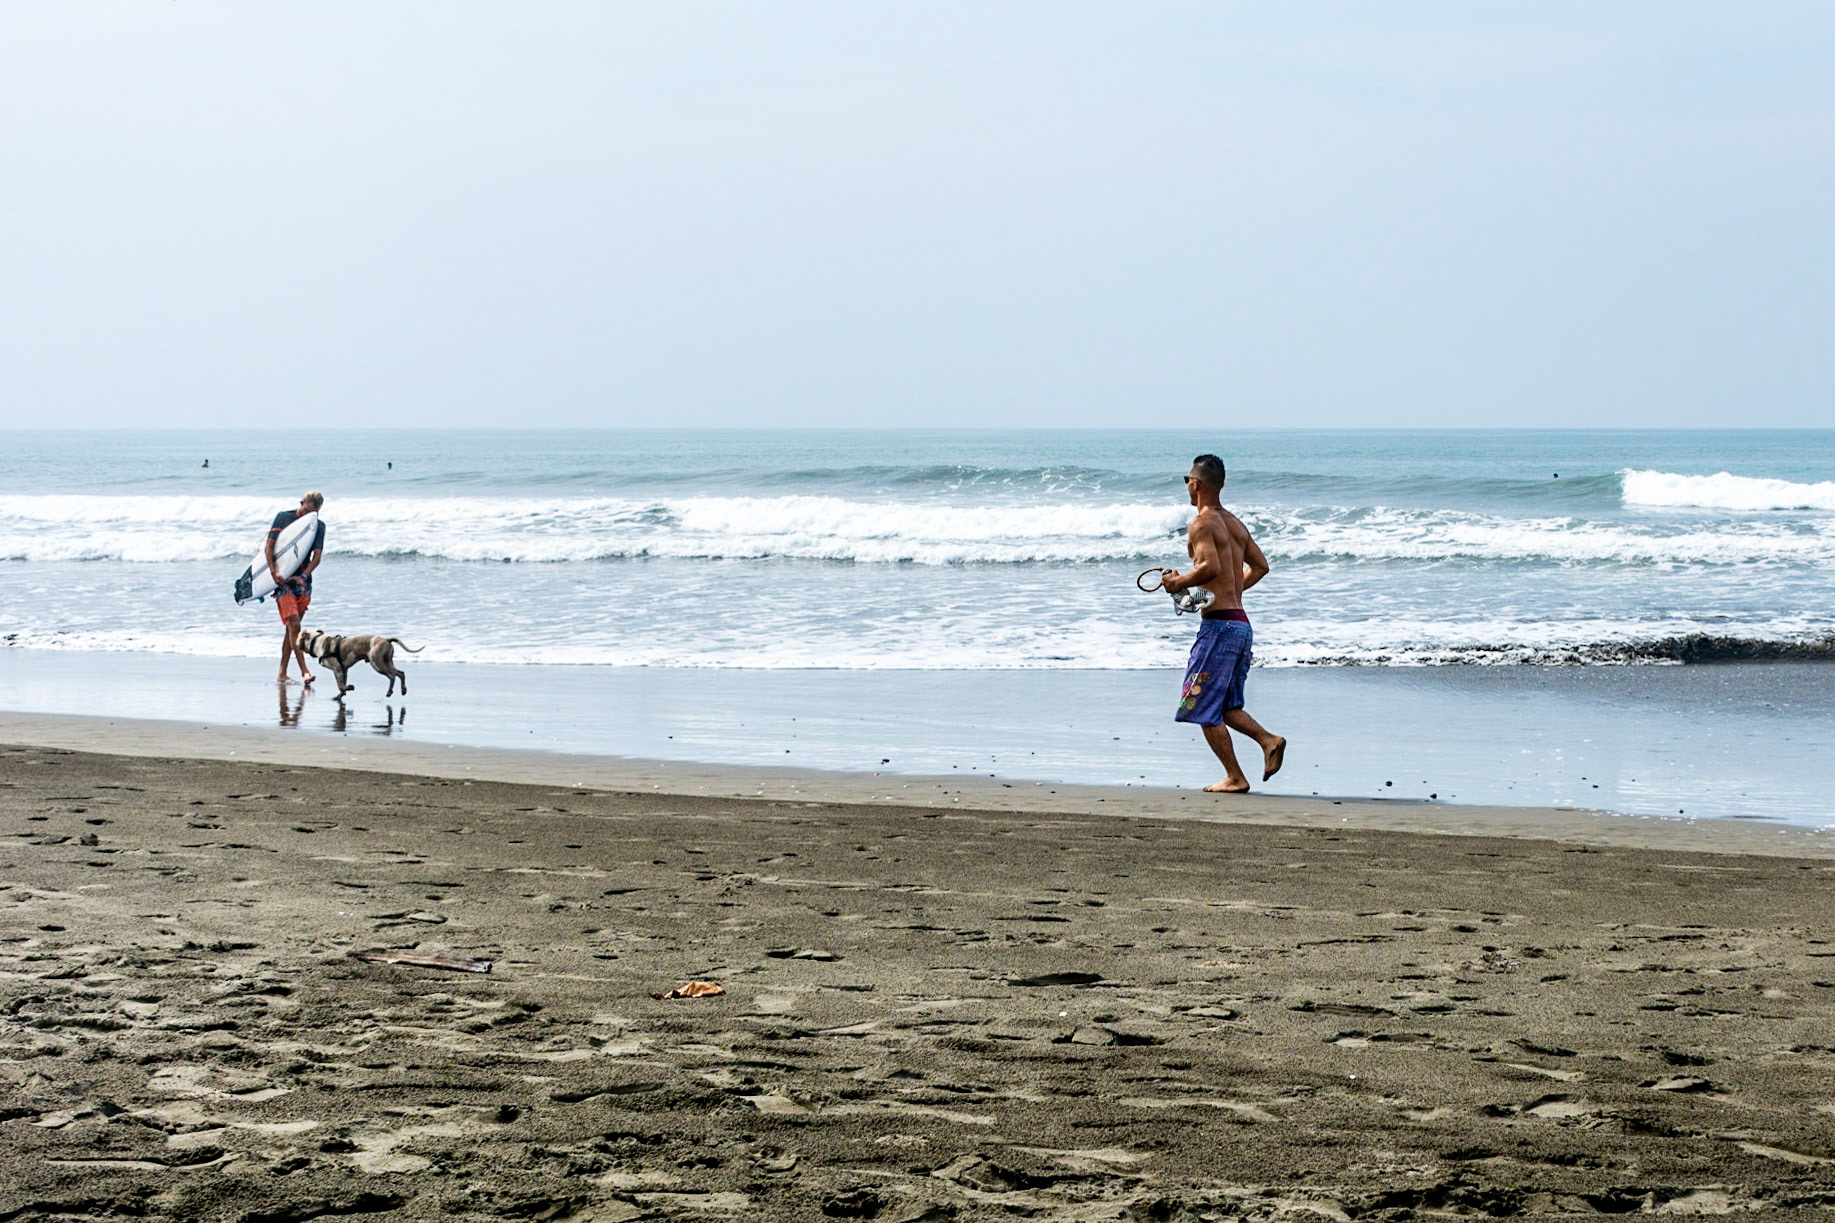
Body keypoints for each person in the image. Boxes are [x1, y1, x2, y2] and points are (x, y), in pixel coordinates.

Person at [1160, 455, 1286, 793]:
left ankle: (1235, 777)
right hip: (1240, 625)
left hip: (1218, 630)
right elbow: (1260, 567)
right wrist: (1225, 594)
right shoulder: (1235, 524)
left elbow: (1211, 567)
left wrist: (1178, 582)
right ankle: (1269, 741)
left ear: (1196, 484)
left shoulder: (1201, 523)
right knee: (1228, 707)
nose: (1186, 485)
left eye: (1187, 479)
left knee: (1199, 704)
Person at [268, 491, 326, 685]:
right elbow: (270, 547)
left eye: (314, 513)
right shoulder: (284, 518)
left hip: (302, 583)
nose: (309, 516)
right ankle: (305, 671)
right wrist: (273, 572)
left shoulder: (318, 527)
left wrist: (304, 576)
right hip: (282, 581)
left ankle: (282, 673)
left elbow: (316, 557)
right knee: (294, 626)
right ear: (301, 503)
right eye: (307, 510)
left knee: (291, 630)